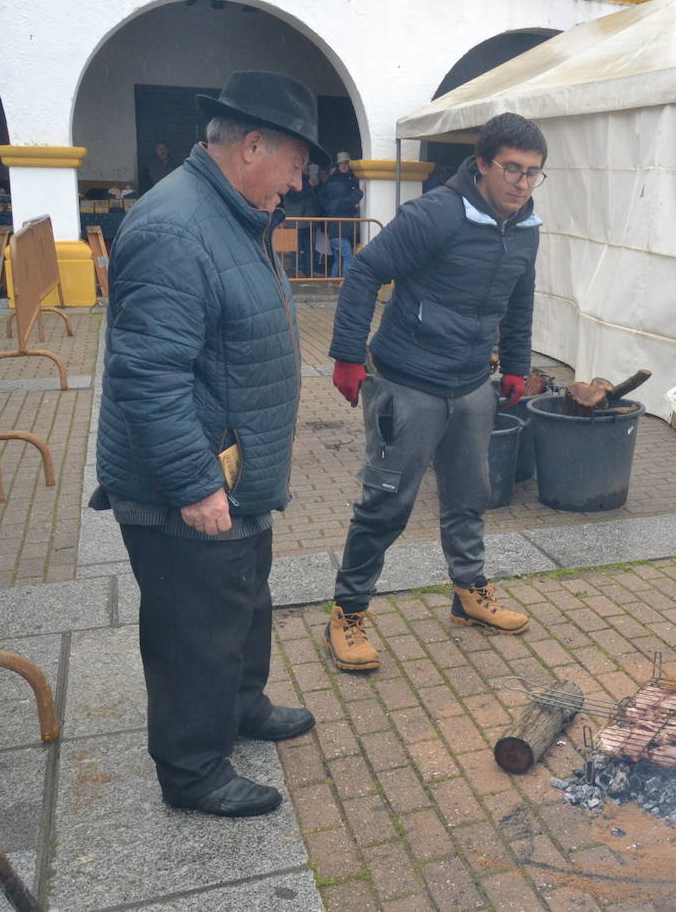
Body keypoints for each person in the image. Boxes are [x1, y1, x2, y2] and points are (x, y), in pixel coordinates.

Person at [90, 71, 329, 817]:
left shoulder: (227, 212)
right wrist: (195, 483)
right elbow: (149, 375)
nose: (297, 183)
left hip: (234, 473)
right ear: (253, 146)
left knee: (241, 602)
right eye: (294, 164)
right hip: (186, 486)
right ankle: (192, 769)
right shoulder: (175, 227)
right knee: (193, 630)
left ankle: (240, 706)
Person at [324, 113, 547, 671]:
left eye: (533, 173)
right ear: (481, 165)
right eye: (512, 169)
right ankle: (347, 611)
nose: (522, 183)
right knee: (386, 504)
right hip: (408, 382)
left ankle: (469, 594)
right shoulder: (434, 217)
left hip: (472, 383)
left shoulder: (526, 228)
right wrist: (348, 355)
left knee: (471, 493)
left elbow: (519, 301)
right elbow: (364, 271)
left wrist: (516, 365)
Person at [318, 150, 362, 276]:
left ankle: (332, 281)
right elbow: (343, 203)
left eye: (346, 163)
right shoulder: (335, 183)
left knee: (338, 259)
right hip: (339, 227)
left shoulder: (341, 180)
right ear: (338, 165)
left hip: (338, 228)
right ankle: (344, 282)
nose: (344, 166)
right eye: (342, 163)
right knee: (348, 257)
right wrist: (359, 194)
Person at [281, 163, 322, 276]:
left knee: (308, 248)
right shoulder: (293, 180)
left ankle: (308, 271)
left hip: (307, 220)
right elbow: (292, 196)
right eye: (305, 167)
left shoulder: (306, 182)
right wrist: (310, 187)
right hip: (297, 221)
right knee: (297, 248)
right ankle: (298, 270)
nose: (307, 169)